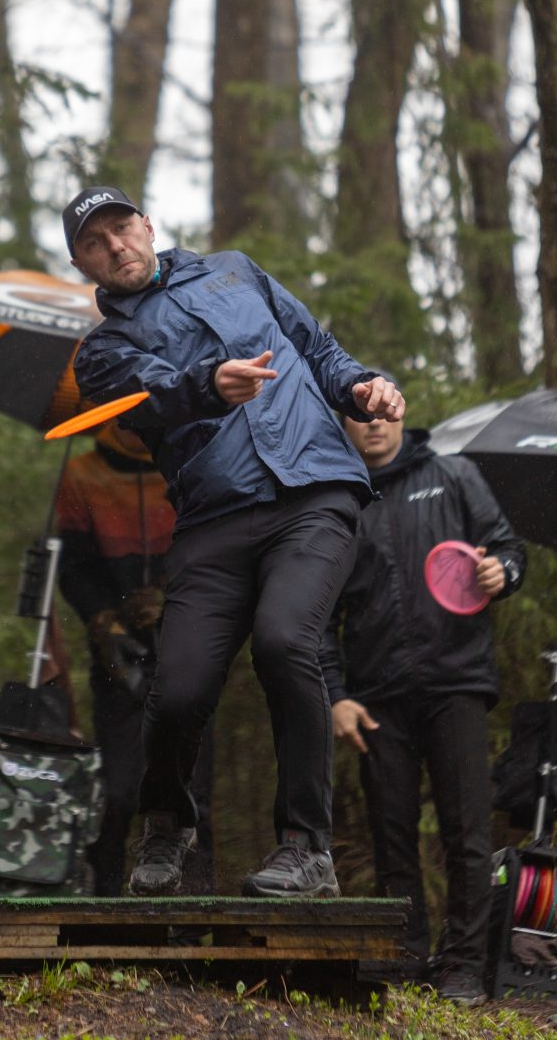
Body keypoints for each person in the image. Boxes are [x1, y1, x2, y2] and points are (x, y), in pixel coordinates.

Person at [62, 184, 404, 898]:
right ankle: (167, 823)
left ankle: (306, 847)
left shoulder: (237, 271)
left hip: (315, 494)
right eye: (96, 243)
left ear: (147, 225)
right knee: (179, 688)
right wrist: (210, 386)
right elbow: (153, 395)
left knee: (286, 641)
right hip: (214, 518)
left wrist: (365, 386)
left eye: (122, 228)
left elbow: (316, 348)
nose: (116, 246)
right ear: (84, 264)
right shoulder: (102, 351)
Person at [321, 404, 525, 1005]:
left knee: (467, 830)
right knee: (392, 832)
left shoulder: (454, 474)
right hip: (377, 695)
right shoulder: (339, 503)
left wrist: (501, 573)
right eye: (358, 417)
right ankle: (406, 956)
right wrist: (337, 697)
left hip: (456, 682)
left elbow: (508, 551)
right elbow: (320, 617)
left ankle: (462, 965)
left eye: (382, 414)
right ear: (346, 430)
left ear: (400, 417)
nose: (373, 425)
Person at [56, 417, 214, 895]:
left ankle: (194, 920)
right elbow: (73, 566)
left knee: (194, 788)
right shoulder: (82, 474)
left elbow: (210, 547)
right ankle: (106, 911)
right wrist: (108, 618)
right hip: (116, 656)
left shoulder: (190, 465)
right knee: (119, 790)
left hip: (186, 644)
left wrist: (170, 592)